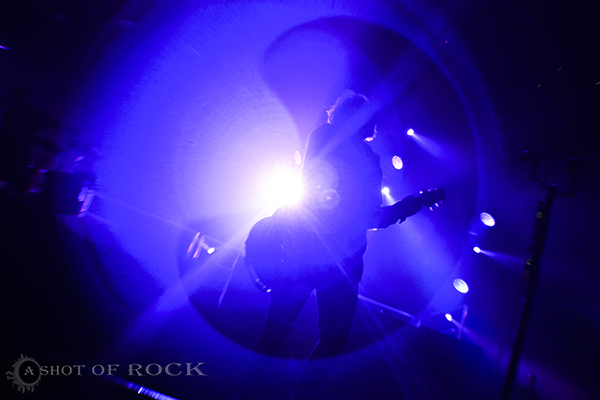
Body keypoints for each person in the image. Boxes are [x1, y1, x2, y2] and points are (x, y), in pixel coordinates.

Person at [240, 91, 423, 399]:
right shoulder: (363, 158)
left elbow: (332, 197)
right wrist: (406, 208)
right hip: (340, 261)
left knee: (278, 327)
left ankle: (246, 394)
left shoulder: (324, 137)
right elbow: (371, 216)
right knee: (331, 338)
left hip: (306, 250)